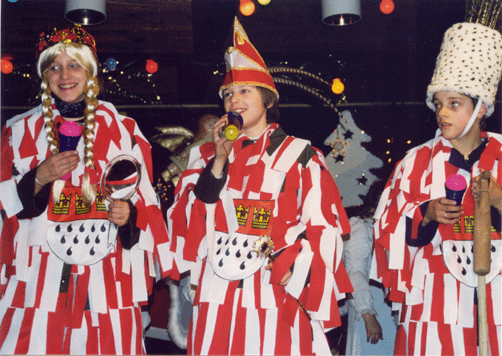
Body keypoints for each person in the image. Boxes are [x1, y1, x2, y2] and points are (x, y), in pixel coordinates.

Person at [167, 17, 352, 355]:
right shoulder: (204, 156)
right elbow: (185, 223)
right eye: (228, 94)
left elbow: (325, 229)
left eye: (244, 91)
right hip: (216, 294)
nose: (234, 101)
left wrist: (297, 269)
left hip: (276, 294)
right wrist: (219, 162)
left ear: (268, 100)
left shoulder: (301, 154)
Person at [0, 25, 171, 354]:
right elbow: (4, 212)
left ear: (90, 71)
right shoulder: (18, 131)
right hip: (38, 282)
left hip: (107, 282)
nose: (64, 75)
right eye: (54, 67)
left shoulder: (125, 131)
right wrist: (39, 177)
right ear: (44, 75)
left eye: (74, 65)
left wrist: (128, 217)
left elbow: (147, 210)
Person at [371, 16, 502, 356]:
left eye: (454, 104)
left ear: (481, 108)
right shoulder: (415, 162)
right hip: (433, 300)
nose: (442, 112)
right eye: (439, 104)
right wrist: (424, 213)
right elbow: (386, 226)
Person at [342, 180, 396, 355]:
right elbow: (354, 271)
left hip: (389, 306)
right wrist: (368, 314)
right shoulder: (361, 226)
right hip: (368, 303)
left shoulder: (391, 228)